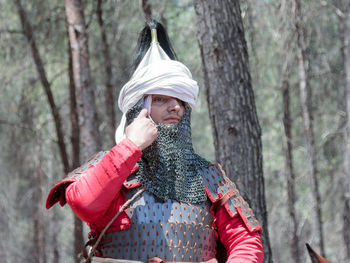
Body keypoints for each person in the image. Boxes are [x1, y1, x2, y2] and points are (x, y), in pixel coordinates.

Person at [46, 20, 264, 263]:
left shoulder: (207, 177)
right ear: (139, 109)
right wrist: (130, 147)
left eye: (180, 100)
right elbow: (85, 204)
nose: (175, 107)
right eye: (161, 99)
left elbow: (245, 240)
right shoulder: (111, 168)